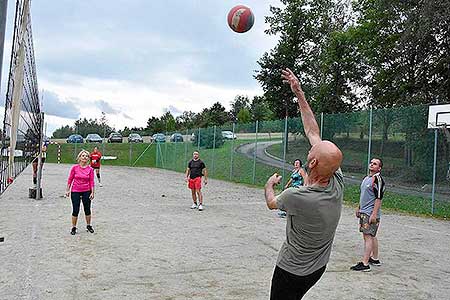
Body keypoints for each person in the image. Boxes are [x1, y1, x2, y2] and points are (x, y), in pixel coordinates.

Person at [264, 68, 344, 300]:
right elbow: (312, 130)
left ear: (312, 161)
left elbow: (271, 203)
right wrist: (298, 92)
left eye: (312, 149)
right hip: (318, 268)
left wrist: (270, 184)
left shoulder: (296, 196)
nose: (312, 144)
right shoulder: (336, 178)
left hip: (291, 270)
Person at [351, 158, 385, 272]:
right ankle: (374, 259)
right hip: (364, 211)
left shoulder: (377, 180)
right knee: (371, 235)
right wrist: (359, 207)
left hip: (370, 213)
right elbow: (364, 195)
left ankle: (365, 264)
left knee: (368, 237)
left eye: (375, 164)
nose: (371, 164)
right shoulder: (367, 178)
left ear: (379, 168)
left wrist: (374, 214)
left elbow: (378, 198)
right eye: (371, 163)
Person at [65, 150, 95, 235]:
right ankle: (74, 227)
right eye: (83, 156)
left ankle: (88, 225)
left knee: (87, 209)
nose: (84, 157)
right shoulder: (74, 168)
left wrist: (92, 192)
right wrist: (67, 190)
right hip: (75, 191)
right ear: (80, 157)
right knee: (75, 210)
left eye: (86, 156)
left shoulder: (90, 169)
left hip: (86, 191)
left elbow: (91, 182)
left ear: (88, 158)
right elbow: (70, 179)